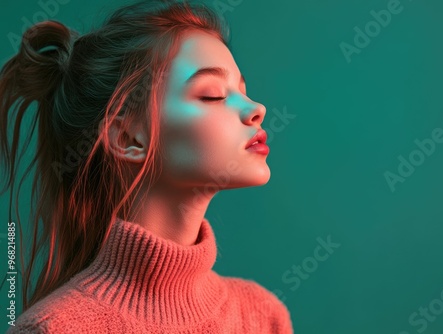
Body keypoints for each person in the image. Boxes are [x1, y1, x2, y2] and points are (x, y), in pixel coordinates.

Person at [0, 0, 293, 332]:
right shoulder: (54, 328)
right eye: (212, 95)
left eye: (243, 90)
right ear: (127, 137)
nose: (257, 108)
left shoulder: (263, 315)